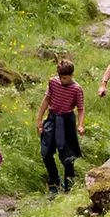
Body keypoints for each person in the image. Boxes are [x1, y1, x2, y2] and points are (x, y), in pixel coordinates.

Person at [37, 56, 86, 189]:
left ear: (72, 75)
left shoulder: (77, 89)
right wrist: (39, 119)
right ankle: (54, 181)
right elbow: (46, 99)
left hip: (67, 122)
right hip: (52, 119)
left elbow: (81, 109)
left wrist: (80, 125)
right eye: (61, 77)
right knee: (46, 153)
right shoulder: (53, 82)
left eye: (66, 78)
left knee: (67, 157)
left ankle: (69, 186)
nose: (63, 80)